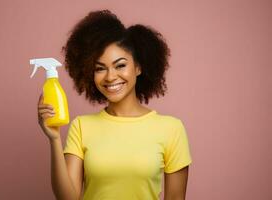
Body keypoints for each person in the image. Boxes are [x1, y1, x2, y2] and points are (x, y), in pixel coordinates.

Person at [37, 9, 193, 200]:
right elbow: (68, 198)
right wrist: (54, 138)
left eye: (120, 65)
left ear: (138, 67)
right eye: (100, 69)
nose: (110, 77)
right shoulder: (81, 126)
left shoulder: (171, 129)